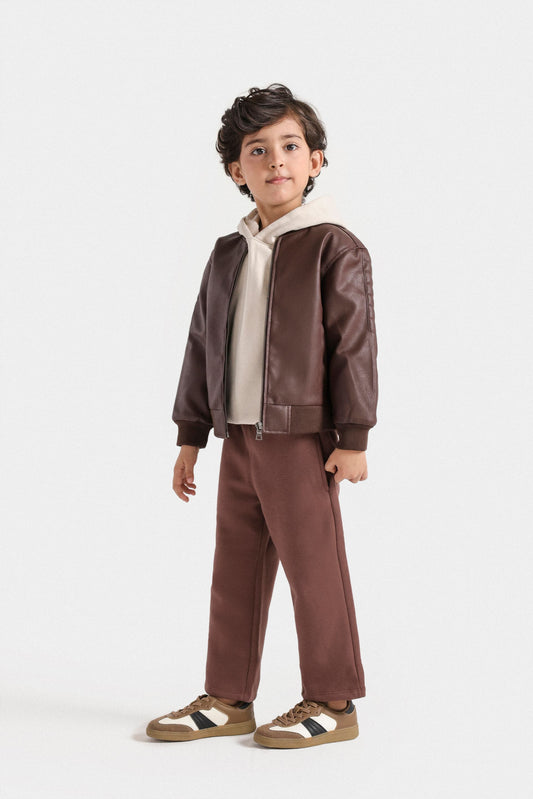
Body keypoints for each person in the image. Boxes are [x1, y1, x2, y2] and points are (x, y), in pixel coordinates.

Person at [146, 83, 379, 749]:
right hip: (239, 436)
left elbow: (353, 347)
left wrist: (354, 436)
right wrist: (191, 435)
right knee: (236, 566)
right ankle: (228, 696)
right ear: (235, 171)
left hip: (302, 439)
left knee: (314, 568)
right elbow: (201, 343)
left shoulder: (334, 247)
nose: (276, 159)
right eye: (257, 150)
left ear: (315, 160)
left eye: (290, 145)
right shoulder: (228, 252)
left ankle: (332, 700)